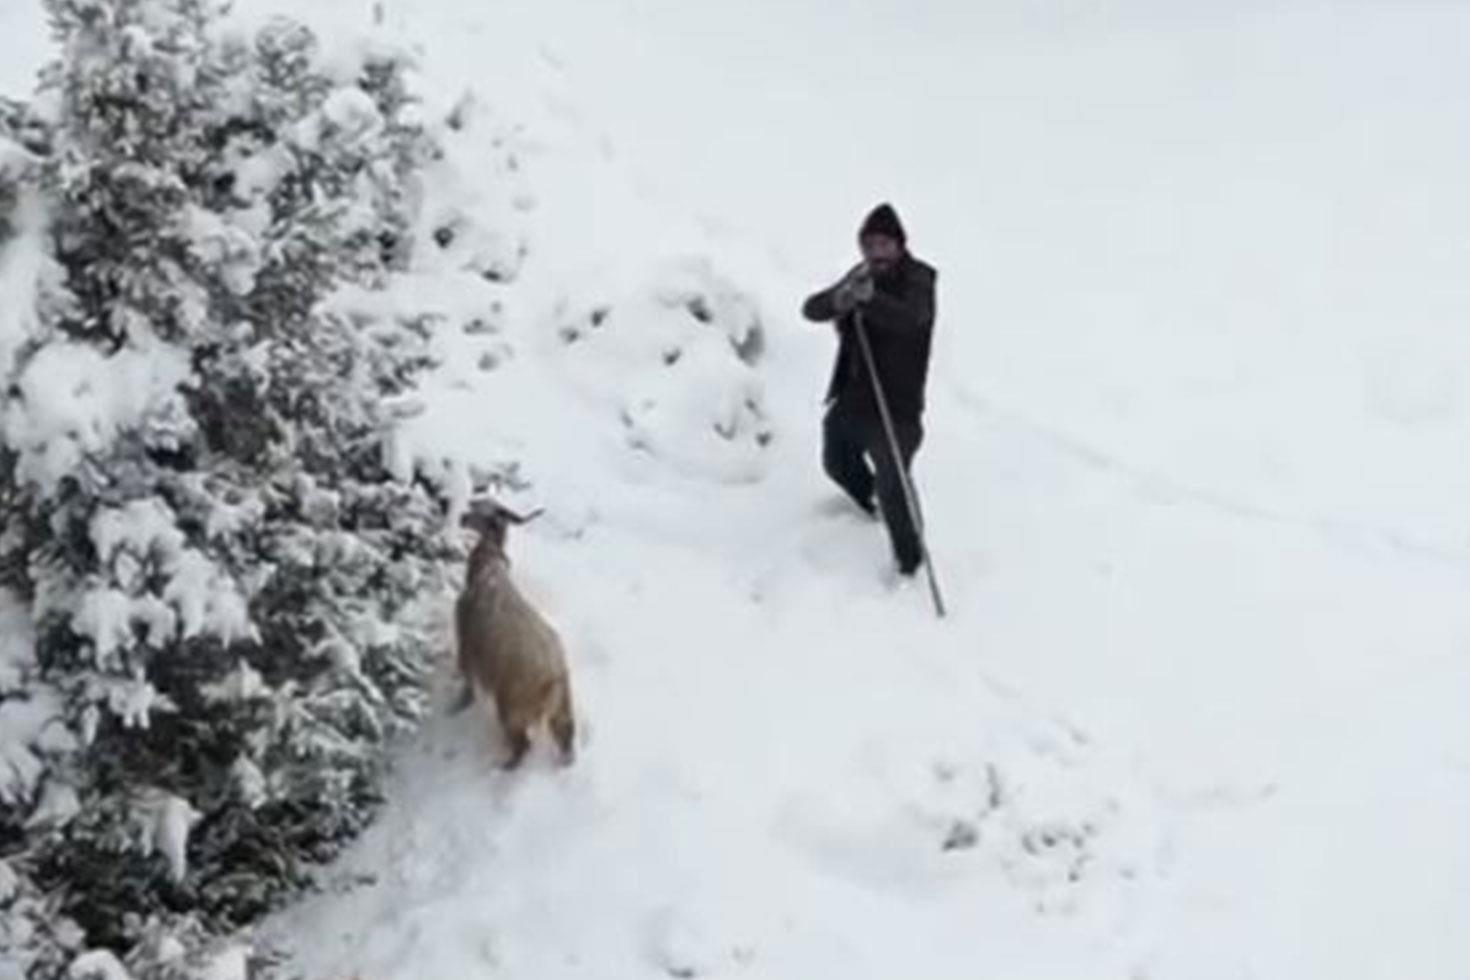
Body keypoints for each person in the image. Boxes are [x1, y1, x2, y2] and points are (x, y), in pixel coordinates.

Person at [802, 203, 938, 578]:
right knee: (836, 460)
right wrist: (839, 300)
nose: (876, 253)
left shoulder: (920, 280)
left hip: (897, 407)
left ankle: (911, 562)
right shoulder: (860, 277)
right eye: (869, 245)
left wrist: (870, 301)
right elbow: (811, 309)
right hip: (856, 397)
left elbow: (911, 318)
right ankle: (871, 503)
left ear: (899, 245)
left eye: (883, 244)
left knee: (893, 480)